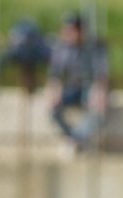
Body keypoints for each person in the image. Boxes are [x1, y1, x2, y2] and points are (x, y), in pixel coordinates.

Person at [46, 13, 109, 152]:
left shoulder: (95, 46)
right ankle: (76, 139)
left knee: (98, 112)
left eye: (71, 30)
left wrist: (99, 91)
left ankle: (74, 140)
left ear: (81, 31)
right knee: (53, 108)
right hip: (71, 88)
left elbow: (102, 74)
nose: (67, 34)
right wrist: (54, 89)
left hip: (90, 89)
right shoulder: (61, 47)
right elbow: (54, 74)